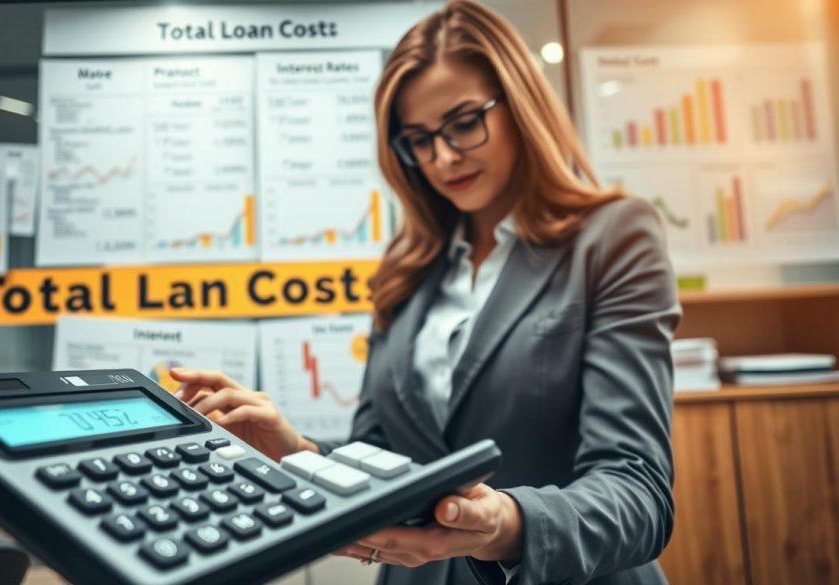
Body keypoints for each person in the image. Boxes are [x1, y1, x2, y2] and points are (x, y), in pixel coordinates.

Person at [170, 1, 681, 583]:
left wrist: (503, 524)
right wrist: (297, 451)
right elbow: (383, 455)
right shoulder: (408, 269)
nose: (442, 157)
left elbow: (638, 493)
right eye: (418, 139)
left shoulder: (612, 237)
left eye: (464, 123)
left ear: (521, 106)